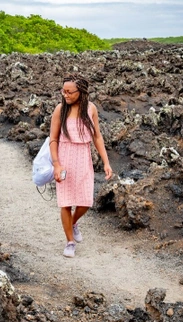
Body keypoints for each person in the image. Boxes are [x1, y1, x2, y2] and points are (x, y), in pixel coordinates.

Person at [49, 73, 113, 258]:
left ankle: (74, 223)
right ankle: (69, 242)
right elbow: (53, 139)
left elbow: (97, 136)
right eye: (64, 91)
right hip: (65, 157)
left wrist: (106, 162)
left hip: (84, 157)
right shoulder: (60, 109)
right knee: (66, 203)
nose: (65, 95)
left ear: (81, 91)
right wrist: (57, 165)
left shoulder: (91, 109)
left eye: (70, 92)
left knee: (85, 201)